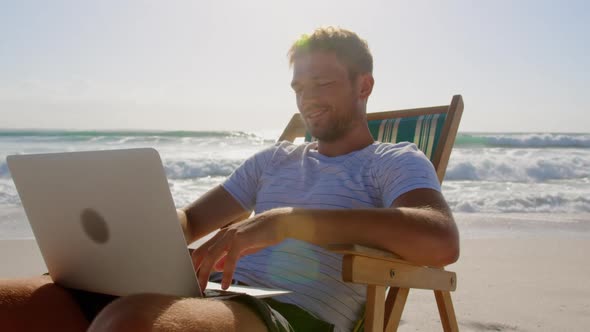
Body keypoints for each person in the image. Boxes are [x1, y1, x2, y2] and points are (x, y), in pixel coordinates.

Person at [0, 27, 459, 332]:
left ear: (364, 86)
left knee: (129, 322)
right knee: (16, 302)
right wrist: (128, 228)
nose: (308, 101)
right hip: (209, 294)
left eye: (323, 84)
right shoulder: (274, 160)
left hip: (293, 314)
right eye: (299, 88)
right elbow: (191, 222)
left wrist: (291, 221)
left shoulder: (392, 159)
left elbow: (439, 240)